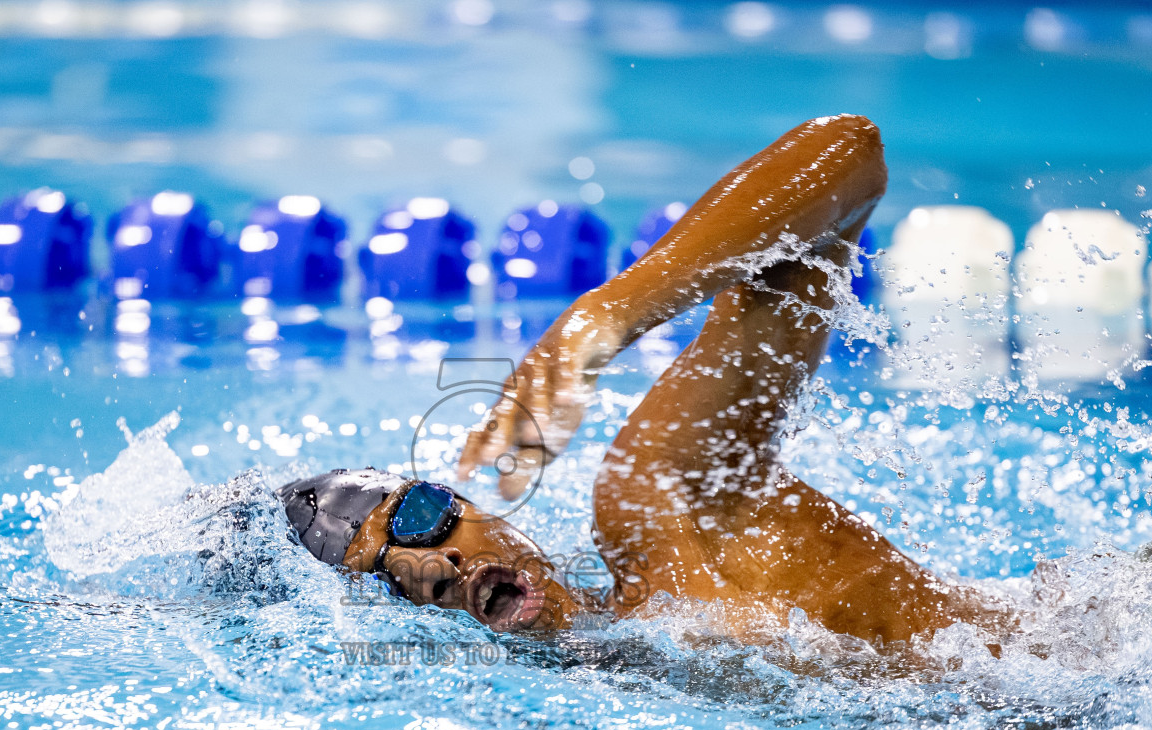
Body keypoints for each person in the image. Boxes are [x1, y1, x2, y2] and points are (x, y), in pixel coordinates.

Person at [278, 114, 1015, 653]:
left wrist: (597, 320)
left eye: (422, 517)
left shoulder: (662, 513)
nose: (431, 566)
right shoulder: (612, 698)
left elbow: (848, 155)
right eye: (386, 579)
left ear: (473, 506)